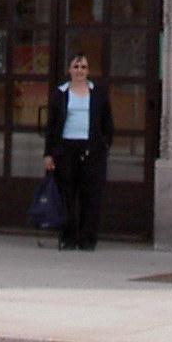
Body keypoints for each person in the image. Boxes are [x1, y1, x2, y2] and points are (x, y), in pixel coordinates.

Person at [41, 52, 112, 251]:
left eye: (83, 67)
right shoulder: (60, 93)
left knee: (91, 196)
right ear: (69, 70)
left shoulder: (98, 93)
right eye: (76, 67)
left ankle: (88, 239)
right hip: (66, 149)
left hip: (92, 150)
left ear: (88, 71)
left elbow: (107, 123)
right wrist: (49, 153)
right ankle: (68, 237)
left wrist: (104, 145)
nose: (79, 71)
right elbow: (52, 125)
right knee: (67, 195)